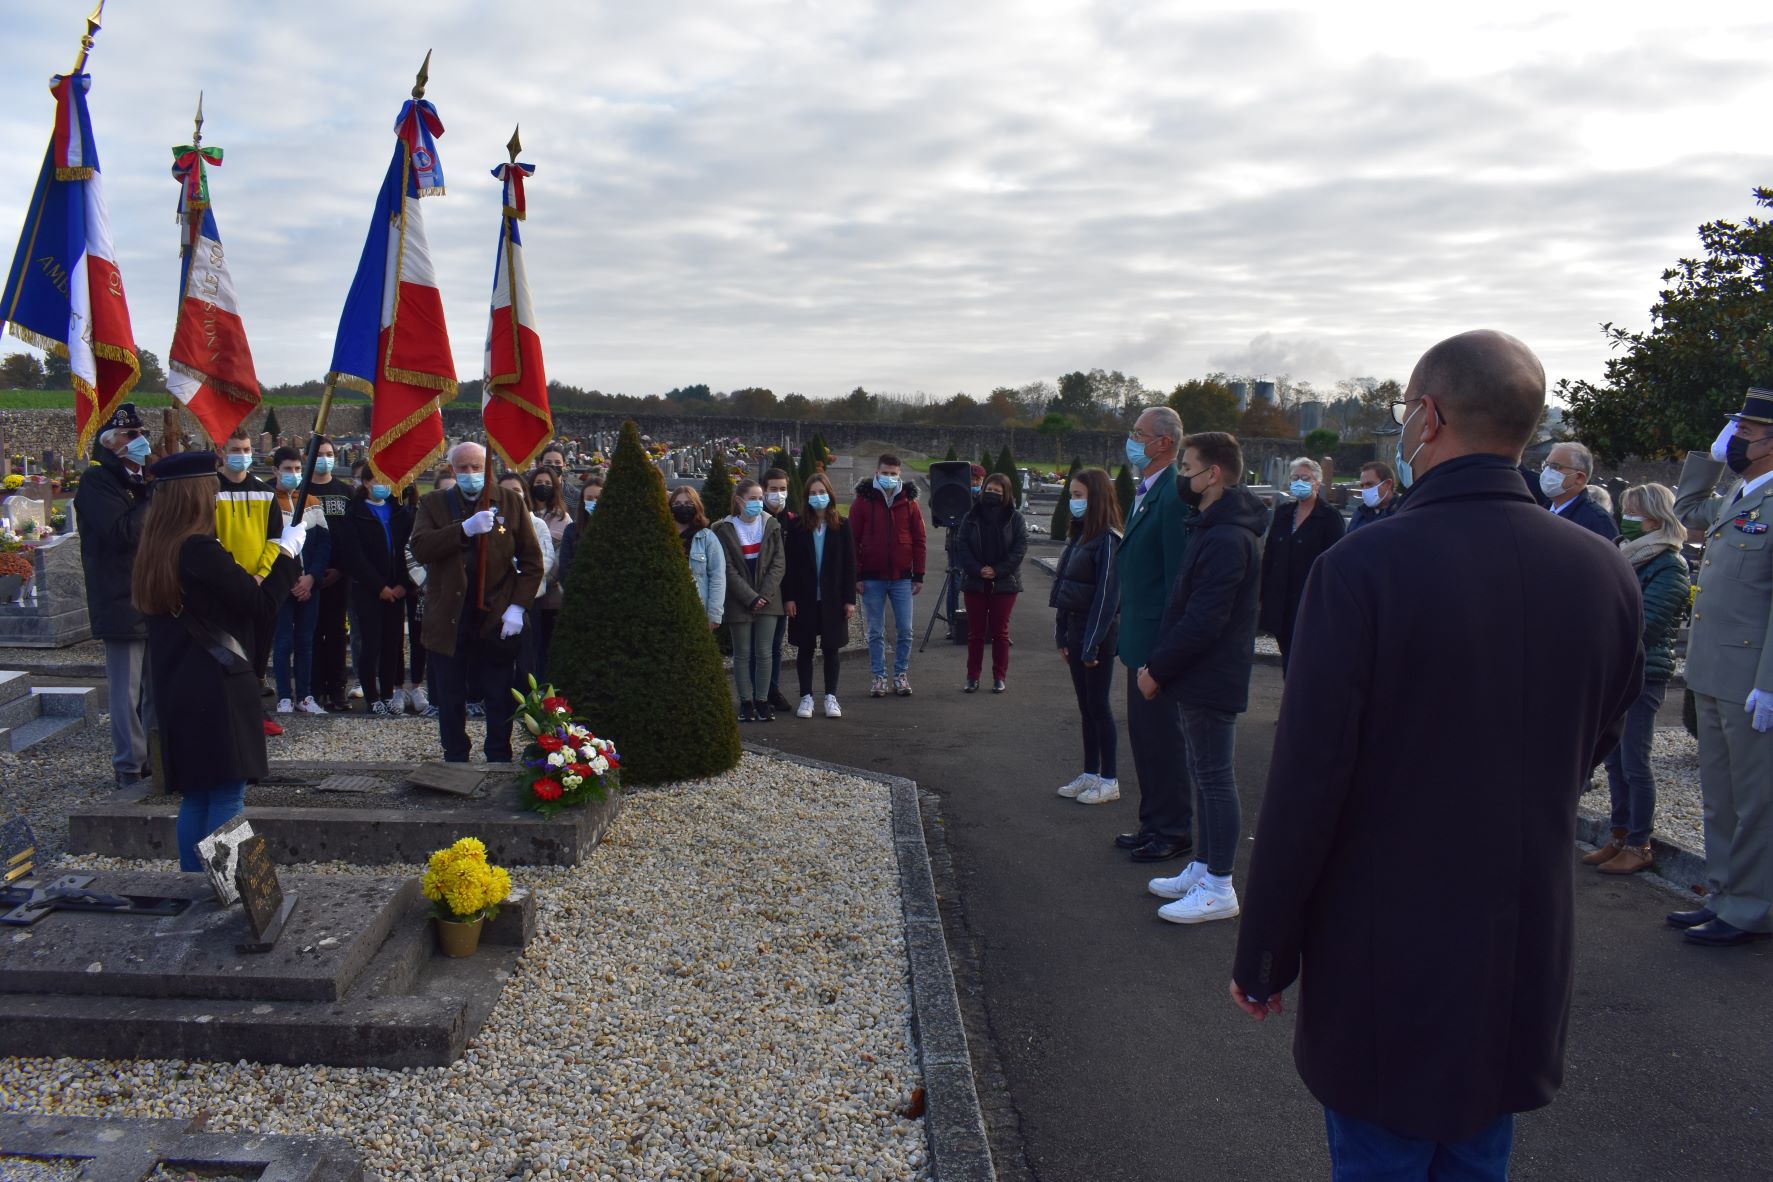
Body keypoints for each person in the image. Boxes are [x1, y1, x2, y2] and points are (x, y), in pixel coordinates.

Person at [1231, 330, 1643, 1177]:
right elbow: (1600, 731)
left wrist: (1266, 948)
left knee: (1381, 1148)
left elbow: (1309, 778)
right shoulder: (1602, 570)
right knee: (1477, 1148)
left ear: (1428, 415)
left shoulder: (1364, 565)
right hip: (1522, 936)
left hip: (1387, 948)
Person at [132, 451, 306, 871]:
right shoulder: (199, 549)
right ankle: (226, 888)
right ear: (193, 495)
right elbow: (259, 605)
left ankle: (196, 887)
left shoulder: (156, 547)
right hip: (217, 684)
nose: (214, 495)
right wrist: (287, 554)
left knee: (198, 795)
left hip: (178, 682)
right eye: (210, 489)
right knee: (227, 794)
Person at [1135, 431, 1266, 923]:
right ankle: (1203, 866)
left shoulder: (1229, 537)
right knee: (1202, 771)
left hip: (1210, 675)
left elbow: (1205, 620)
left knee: (1214, 778)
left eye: (1187, 468)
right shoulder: (1213, 527)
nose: (1182, 478)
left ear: (1213, 474)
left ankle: (1219, 885)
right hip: (1199, 675)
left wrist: (1158, 669)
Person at [1671, 389, 1773, 946]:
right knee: (1721, 795)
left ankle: (1751, 906)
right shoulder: (1739, 492)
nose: (1736, 441)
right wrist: (1708, 460)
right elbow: (1687, 513)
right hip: (1711, 673)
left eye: (1747, 433)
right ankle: (1723, 893)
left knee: (1756, 802)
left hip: (1752, 681)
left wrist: (1770, 685)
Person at [409, 442, 543, 761]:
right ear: (452, 469)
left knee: (498, 692)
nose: (470, 474)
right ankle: (455, 754)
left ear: (487, 468)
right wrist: (463, 530)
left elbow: (532, 561)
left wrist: (518, 607)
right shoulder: (433, 503)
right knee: (451, 693)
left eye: (476, 467)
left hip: (495, 613)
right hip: (449, 613)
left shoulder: (510, 502)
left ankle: (498, 752)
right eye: (463, 468)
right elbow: (421, 547)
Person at [1580, 483, 1689, 876]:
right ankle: (1619, 834)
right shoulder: (1630, 555)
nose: (1626, 519)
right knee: (1614, 761)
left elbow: (1652, 621)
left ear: (1655, 516)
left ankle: (1640, 843)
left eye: (1634, 512)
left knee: (1635, 762)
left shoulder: (1668, 563)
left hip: (1643, 670)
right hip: (1618, 667)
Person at [1114, 406, 1197, 862]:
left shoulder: (1171, 494)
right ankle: (1152, 822)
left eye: (1138, 433)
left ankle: (1173, 830)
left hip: (1155, 646)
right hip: (1137, 640)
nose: (1132, 440)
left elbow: (1176, 581)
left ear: (1163, 442)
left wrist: (1163, 655)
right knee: (1145, 741)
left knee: (1164, 740)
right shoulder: (1148, 490)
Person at [71, 402, 156, 790]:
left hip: (156, 595)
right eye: (130, 435)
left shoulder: (144, 480)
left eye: (141, 434)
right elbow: (123, 532)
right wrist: (156, 499)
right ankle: (129, 766)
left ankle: (156, 756)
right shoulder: (98, 482)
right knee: (126, 691)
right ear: (112, 442)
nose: (140, 441)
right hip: (120, 598)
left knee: (156, 688)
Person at [1049, 467, 1121, 806]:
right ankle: (1090, 771)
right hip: (1077, 632)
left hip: (1096, 636)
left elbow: (1107, 597)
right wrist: (1063, 634)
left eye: (1078, 496)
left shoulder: (1108, 540)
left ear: (1096, 498)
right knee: (1085, 707)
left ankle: (1109, 778)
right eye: (1072, 495)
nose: (1073, 502)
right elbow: (1065, 588)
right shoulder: (1080, 537)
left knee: (1099, 706)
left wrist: (1091, 643)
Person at [214, 428, 285, 736]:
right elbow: (208, 538)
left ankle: (253, 712)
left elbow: (274, 539)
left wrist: (260, 574)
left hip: (256, 583)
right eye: (235, 449)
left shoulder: (265, 491)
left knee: (255, 653)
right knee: (226, 651)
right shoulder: (209, 489)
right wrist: (232, 575)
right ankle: (224, 713)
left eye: (245, 449)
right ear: (221, 451)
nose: (241, 455)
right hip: (222, 583)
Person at [334, 463, 414, 716]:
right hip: (369, 590)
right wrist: (379, 586)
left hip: (397, 588)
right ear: (367, 483)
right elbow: (354, 556)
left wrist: (403, 583)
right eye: (379, 480)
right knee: (371, 644)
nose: (384, 485)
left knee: (393, 645)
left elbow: (408, 550)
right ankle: (372, 696)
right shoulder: (355, 512)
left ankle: (388, 693)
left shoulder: (399, 512)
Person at [1259, 457, 1345, 674]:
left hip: (1309, 601)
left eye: (1305, 478)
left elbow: (1334, 564)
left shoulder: (1328, 517)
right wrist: (1262, 593)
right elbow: (1270, 554)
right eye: (1295, 478)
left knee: (1305, 662)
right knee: (1287, 658)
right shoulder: (1284, 513)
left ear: (1317, 482)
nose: (1299, 482)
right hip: (1280, 601)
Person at [851, 454, 926, 698]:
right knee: (875, 631)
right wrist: (857, 575)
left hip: (902, 577)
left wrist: (919, 575)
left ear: (900, 474)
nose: (889, 477)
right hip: (872, 577)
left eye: (894, 474)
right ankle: (879, 677)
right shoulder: (863, 501)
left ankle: (901, 675)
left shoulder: (909, 502)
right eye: (885, 473)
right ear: (877, 472)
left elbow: (919, 539)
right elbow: (852, 540)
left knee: (905, 630)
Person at [783, 470, 857, 719]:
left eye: (821, 492)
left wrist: (849, 600)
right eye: (813, 493)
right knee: (805, 647)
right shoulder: (796, 526)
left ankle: (830, 696)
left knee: (831, 648)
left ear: (829, 494)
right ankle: (806, 696)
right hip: (804, 597)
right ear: (806, 497)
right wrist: (789, 597)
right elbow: (789, 565)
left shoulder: (842, 526)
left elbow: (849, 565)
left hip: (833, 597)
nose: (817, 497)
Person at [713, 478, 787, 722]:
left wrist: (763, 596)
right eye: (752, 499)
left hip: (769, 600)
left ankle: (762, 700)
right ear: (739, 501)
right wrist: (750, 597)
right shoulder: (724, 529)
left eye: (759, 498)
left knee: (765, 652)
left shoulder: (771, 524)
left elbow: (778, 563)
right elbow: (727, 568)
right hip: (739, 600)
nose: (757, 503)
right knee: (742, 653)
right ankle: (746, 702)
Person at [268, 447, 331, 716]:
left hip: (309, 585)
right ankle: (284, 696)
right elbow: (269, 545)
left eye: (297, 469)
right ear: (275, 471)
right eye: (287, 469)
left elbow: (324, 543)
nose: (293, 474)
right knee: (282, 642)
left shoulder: (312, 501)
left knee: (305, 641)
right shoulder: (269, 501)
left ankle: (305, 695)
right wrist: (290, 579)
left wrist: (312, 577)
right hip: (281, 585)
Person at [954, 471, 1027, 693]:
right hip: (975, 581)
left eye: (998, 490)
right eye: (989, 489)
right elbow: (962, 545)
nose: (992, 493)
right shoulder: (971, 516)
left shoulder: (1016, 519)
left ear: (1006, 494)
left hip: (1005, 582)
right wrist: (978, 570)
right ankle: (972, 676)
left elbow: (1019, 549)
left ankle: (999, 676)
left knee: (999, 632)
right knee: (975, 632)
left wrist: (997, 570)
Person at [306, 437, 356, 712]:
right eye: (319, 454)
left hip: (338, 576)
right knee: (310, 633)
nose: (324, 458)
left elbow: (350, 536)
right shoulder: (302, 490)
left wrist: (341, 569)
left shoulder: (345, 491)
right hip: (308, 576)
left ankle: (337, 689)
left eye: (329, 454)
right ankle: (314, 688)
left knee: (336, 634)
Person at [498, 470, 558, 682]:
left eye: (516, 490)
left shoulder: (537, 524)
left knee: (526, 657)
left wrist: (519, 576)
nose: (511, 495)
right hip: (495, 598)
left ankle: (525, 700)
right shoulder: (488, 522)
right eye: (504, 491)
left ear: (524, 493)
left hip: (527, 598)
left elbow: (545, 559)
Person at [758, 468, 798, 713]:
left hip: (781, 594)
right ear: (763, 490)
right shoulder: (754, 518)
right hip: (756, 592)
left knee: (774, 646)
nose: (778, 494)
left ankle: (772, 689)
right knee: (756, 647)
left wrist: (790, 596)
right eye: (773, 489)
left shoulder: (792, 522)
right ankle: (756, 692)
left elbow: (794, 563)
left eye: (782, 489)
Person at [529, 465, 572, 681]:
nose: (543, 487)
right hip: (528, 591)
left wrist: (550, 577)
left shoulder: (563, 518)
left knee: (548, 644)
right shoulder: (522, 514)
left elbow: (563, 552)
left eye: (547, 484)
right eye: (538, 483)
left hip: (553, 593)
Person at [668, 485, 726, 629]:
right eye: (677, 504)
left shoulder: (707, 538)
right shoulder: (663, 536)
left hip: (698, 608)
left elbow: (717, 577)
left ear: (697, 507)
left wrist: (714, 615)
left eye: (688, 504)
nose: (683, 507)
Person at [1541, 440, 1618, 540]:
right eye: (1546, 465)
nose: (1547, 471)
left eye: (1555, 467)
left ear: (1579, 477)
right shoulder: (1541, 511)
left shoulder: (1599, 521)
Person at [1344, 460, 1398, 533]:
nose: (1365, 490)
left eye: (1370, 484)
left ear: (1388, 484)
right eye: (1362, 485)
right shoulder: (1359, 513)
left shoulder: (1400, 513)